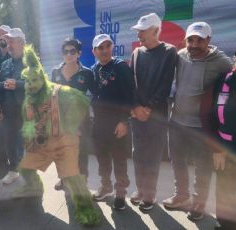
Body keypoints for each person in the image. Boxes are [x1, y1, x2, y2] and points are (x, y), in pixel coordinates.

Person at [14, 45, 101, 227]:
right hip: (42, 144)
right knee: (25, 167)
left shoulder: (58, 90)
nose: (31, 85)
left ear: (42, 78)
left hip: (64, 142)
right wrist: (29, 137)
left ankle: (86, 210)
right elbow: (27, 124)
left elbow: (82, 100)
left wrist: (70, 124)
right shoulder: (28, 102)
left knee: (72, 177)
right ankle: (34, 187)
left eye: (34, 80)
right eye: (28, 81)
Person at [163, 22, 233, 220]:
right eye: (190, 39)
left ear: (209, 40)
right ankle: (181, 196)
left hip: (202, 127)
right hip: (176, 120)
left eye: (199, 40)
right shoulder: (181, 55)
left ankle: (199, 203)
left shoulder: (222, 62)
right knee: (178, 161)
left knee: (203, 167)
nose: (193, 44)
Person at [129, 13, 178, 211]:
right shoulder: (136, 53)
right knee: (137, 153)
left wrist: (148, 108)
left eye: (143, 30)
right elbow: (131, 83)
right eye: (138, 31)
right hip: (136, 114)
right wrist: (135, 107)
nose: (139, 34)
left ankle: (150, 194)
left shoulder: (169, 51)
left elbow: (166, 85)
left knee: (153, 154)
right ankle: (140, 189)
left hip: (156, 115)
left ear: (156, 30)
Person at [90, 34, 134, 210]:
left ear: (112, 47)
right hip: (99, 123)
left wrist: (124, 121)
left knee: (119, 159)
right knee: (102, 157)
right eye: (100, 48)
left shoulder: (121, 67)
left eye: (107, 46)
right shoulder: (93, 69)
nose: (104, 50)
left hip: (117, 123)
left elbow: (129, 96)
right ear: (94, 51)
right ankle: (106, 186)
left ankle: (121, 192)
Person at [51, 38, 96, 189]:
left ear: (79, 53)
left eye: (72, 51)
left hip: (81, 121)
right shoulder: (56, 72)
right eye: (65, 51)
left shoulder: (87, 73)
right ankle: (64, 179)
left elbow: (95, 95)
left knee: (81, 151)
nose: (69, 54)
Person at [0, 28, 27, 184]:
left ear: (21, 43)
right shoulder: (5, 63)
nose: (9, 45)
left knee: (25, 144)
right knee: (10, 142)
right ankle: (13, 170)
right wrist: (3, 85)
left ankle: (28, 173)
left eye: (12, 41)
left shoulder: (32, 62)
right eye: (8, 42)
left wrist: (18, 84)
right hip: (8, 112)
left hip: (26, 112)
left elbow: (39, 84)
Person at [211, 66, 236, 230]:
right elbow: (215, 115)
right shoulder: (223, 79)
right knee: (225, 188)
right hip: (225, 145)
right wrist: (218, 148)